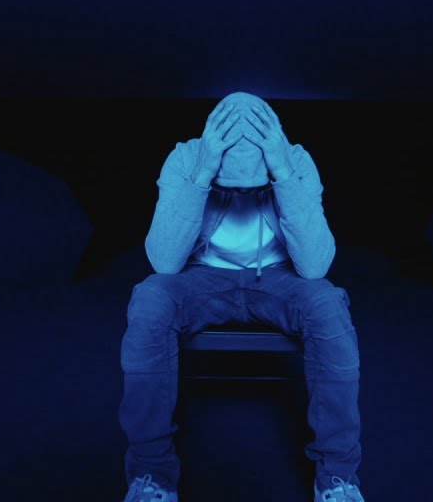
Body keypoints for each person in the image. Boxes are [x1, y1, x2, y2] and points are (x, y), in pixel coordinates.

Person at [119, 91, 365, 502]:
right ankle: (152, 476)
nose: (242, 197)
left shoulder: (296, 159)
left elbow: (315, 266)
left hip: (279, 277)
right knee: (150, 299)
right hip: (201, 277)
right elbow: (164, 261)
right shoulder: (185, 157)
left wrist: (282, 173)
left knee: (327, 303)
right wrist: (203, 173)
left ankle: (338, 478)